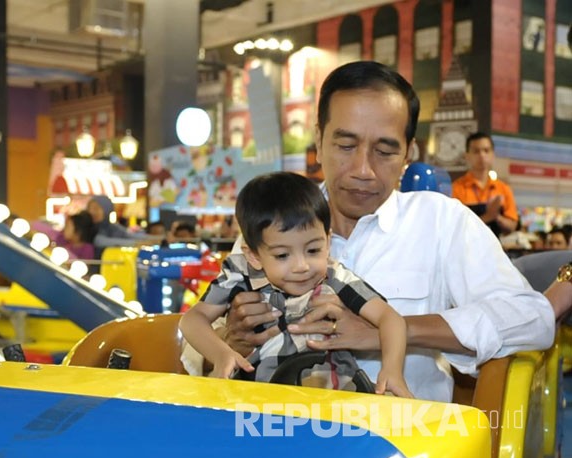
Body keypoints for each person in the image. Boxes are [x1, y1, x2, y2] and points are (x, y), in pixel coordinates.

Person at [182, 60, 554, 403]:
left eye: (385, 151)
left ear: (409, 152)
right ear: (318, 141)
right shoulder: (274, 220)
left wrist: (386, 332)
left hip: (403, 449)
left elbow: (532, 319)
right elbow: (192, 352)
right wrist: (231, 340)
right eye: (345, 145)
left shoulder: (441, 223)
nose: (363, 169)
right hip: (274, 433)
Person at [179, 172, 411, 397]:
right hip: (259, 401)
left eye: (313, 250)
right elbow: (192, 319)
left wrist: (391, 370)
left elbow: (390, 318)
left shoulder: (335, 277)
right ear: (254, 256)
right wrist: (221, 354)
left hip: (334, 401)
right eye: (282, 255)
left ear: (328, 242)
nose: (302, 266)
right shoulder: (240, 276)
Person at [451, 132, 519, 236]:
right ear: (466, 156)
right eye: (476, 151)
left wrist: (497, 217)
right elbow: (455, 228)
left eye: (486, 150)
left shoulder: (503, 189)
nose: (482, 155)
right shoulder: (456, 189)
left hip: (495, 249)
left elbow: (512, 226)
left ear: (493, 155)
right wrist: (488, 216)